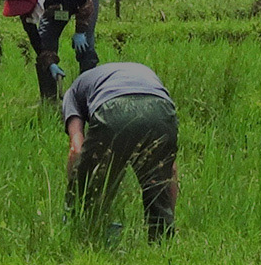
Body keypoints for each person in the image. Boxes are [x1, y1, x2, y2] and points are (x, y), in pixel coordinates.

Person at [63, 62, 179, 242]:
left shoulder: (72, 92)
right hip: (160, 108)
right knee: (158, 182)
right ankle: (162, 242)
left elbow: (76, 149)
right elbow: (170, 170)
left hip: (112, 108)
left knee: (89, 193)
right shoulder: (138, 71)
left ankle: (87, 236)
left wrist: (76, 192)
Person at [4, 0, 101, 101]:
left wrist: (80, 31)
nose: (24, 12)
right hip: (55, 8)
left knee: (86, 47)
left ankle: (87, 96)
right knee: (46, 46)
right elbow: (36, 40)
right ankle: (49, 100)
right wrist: (49, 63)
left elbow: (86, 4)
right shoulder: (27, 10)